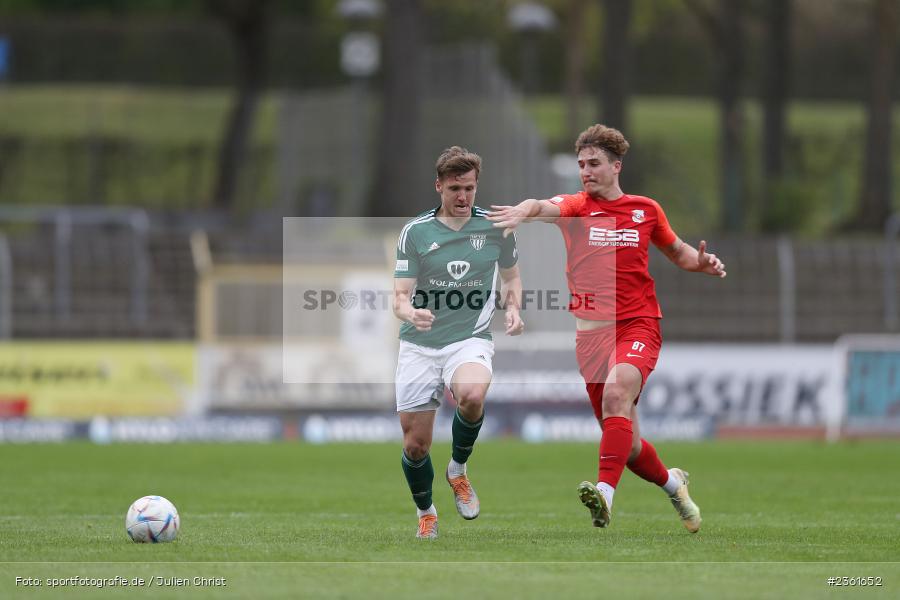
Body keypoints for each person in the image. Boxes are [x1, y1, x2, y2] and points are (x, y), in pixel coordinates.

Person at [487, 124, 726, 533]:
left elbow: (678, 251)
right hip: (590, 337)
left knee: (617, 394)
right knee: (627, 446)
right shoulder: (577, 208)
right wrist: (522, 211)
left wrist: (700, 263)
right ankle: (675, 486)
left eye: (594, 163)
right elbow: (542, 205)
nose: (586, 171)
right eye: (581, 164)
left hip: (637, 324)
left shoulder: (645, 210)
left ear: (616, 166)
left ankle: (604, 496)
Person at [393, 146, 524, 539]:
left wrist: (513, 308)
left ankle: (458, 470)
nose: (463, 196)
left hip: (469, 339)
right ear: (439, 187)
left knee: (472, 394)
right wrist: (410, 313)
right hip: (419, 344)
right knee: (416, 446)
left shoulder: (496, 227)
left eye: (469, 188)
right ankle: (426, 513)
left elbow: (512, 277)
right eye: (455, 188)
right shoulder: (416, 232)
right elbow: (399, 296)